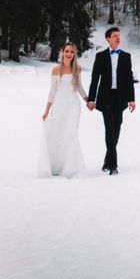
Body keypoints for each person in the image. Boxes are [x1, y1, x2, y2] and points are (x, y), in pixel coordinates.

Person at [87, 26, 136, 175]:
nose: (118, 38)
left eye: (119, 36)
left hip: (120, 99)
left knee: (117, 128)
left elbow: (129, 79)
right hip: (105, 98)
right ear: (108, 38)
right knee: (109, 129)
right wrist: (91, 99)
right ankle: (113, 165)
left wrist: (131, 99)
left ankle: (107, 160)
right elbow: (95, 79)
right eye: (115, 36)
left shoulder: (126, 57)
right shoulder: (100, 56)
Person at [38, 42, 88, 178]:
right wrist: (47, 111)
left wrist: (87, 101)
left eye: (72, 52)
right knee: (58, 135)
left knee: (71, 133)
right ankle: (57, 165)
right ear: (62, 52)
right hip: (59, 105)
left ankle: (71, 168)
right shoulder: (55, 70)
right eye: (67, 51)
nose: (69, 54)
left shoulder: (77, 68)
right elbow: (52, 92)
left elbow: (79, 87)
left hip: (73, 105)